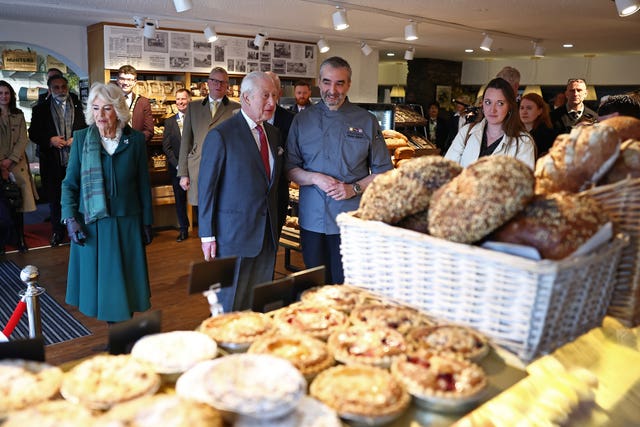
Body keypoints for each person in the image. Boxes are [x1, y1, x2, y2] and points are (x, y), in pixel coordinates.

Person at [287, 56, 393, 284]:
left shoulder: (366, 120)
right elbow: (290, 168)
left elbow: (384, 172)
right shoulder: (302, 121)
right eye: (327, 82)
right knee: (314, 285)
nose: (332, 90)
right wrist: (314, 177)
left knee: (346, 285)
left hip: (350, 221)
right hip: (311, 220)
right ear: (319, 82)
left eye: (339, 83)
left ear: (349, 84)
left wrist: (353, 188)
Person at [61, 82, 154, 323]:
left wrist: (147, 222)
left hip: (127, 222)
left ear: (119, 110)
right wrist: (70, 219)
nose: (100, 115)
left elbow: (143, 184)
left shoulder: (134, 141)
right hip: (92, 223)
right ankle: (115, 332)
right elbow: (69, 184)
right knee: (101, 286)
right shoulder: (82, 139)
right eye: (95, 108)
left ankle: (121, 334)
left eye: (107, 109)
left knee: (126, 282)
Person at [198, 71, 284, 312]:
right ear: (246, 98)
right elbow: (207, 187)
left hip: (267, 235)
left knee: (260, 301)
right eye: (265, 96)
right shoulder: (222, 135)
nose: (272, 103)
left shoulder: (273, 134)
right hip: (232, 236)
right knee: (230, 304)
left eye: (274, 96)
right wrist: (207, 235)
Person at [29, 74, 87, 247]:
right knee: (55, 199)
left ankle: (77, 228)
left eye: (63, 87)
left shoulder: (79, 106)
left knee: (77, 196)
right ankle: (58, 231)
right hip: (52, 161)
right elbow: (33, 134)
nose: (61, 90)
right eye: (56, 87)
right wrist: (50, 140)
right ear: (50, 89)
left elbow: (87, 127)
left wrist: (77, 138)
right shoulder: (40, 109)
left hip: (75, 160)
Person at [178, 67, 240, 208]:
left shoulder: (236, 108)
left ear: (227, 86)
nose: (218, 85)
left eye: (223, 82)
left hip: (225, 167)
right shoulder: (193, 107)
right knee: (202, 208)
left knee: (223, 207)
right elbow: (185, 141)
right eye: (215, 81)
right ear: (208, 83)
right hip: (198, 166)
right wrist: (183, 173)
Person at [445, 77, 536, 170]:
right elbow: (447, 170)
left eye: (500, 103)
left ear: (509, 106)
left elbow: (525, 182)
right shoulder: (466, 132)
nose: (492, 110)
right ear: (482, 104)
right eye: (488, 102)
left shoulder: (523, 142)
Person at [0, 81, 38, 253]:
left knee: (18, 204)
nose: (3, 96)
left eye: (6, 93)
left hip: (16, 164)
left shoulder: (18, 114)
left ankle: (20, 238)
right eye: (0, 93)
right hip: (0, 164)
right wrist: (2, 163)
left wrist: (10, 161)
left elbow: (23, 138)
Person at [265, 71, 294, 235]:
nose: (269, 98)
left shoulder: (291, 119)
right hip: (253, 196)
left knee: (274, 239)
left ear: (279, 94)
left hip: (279, 191)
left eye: (273, 93)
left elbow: (294, 154)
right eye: (264, 92)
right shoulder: (251, 117)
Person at [161, 88, 191, 242]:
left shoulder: (195, 119)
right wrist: (178, 165)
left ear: (189, 100)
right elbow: (166, 147)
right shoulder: (170, 121)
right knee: (180, 200)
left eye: (183, 99)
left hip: (195, 167)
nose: (180, 102)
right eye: (178, 99)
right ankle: (184, 229)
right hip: (177, 168)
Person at [116, 65, 154, 143]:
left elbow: (149, 131)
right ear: (117, 80)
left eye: (129, 79)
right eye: (122, 79)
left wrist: (134, 141)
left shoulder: (143, 102)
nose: (125, 83)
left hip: (136, 149)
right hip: (115, 149)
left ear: (135, 82)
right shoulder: (110, 100)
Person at [519, 92, 558, 158]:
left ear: (540, 111)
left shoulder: (548, 135)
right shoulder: (514, 132)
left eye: (529, 108)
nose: (524, 112)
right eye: (522, 108)